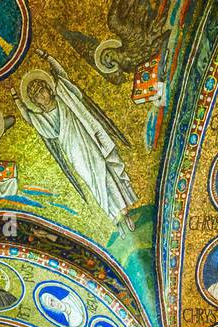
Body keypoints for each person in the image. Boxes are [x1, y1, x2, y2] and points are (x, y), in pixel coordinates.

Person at [13, 50, 135, 228]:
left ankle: (124, 209)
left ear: (49, 89)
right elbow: (28, 116)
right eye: (37, 96)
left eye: (43, 90)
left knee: (105, 170)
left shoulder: (64, 96)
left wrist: (48, 56)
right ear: (35, 101)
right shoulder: (43, 119)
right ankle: (113, 214)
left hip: (89, 139)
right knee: (93, 181)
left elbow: (62, 75)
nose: (42, 96)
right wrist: (15, 98)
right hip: (74, 151)